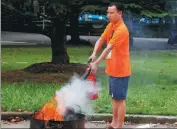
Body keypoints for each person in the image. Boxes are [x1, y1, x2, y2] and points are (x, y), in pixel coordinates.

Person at [89, 2, 131, 129]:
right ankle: (114, 122)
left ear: (120, 13)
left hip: (121, 70)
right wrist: (94, 53)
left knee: (120, 99)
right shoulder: (111, 26)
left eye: (112, 13)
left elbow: (108, 48)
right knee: (114, 98)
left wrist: (96, 63)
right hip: (112, 69)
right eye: (108, 12)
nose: (108, 15)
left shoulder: (121, 30)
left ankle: (119, 125)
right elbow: (101, 40)